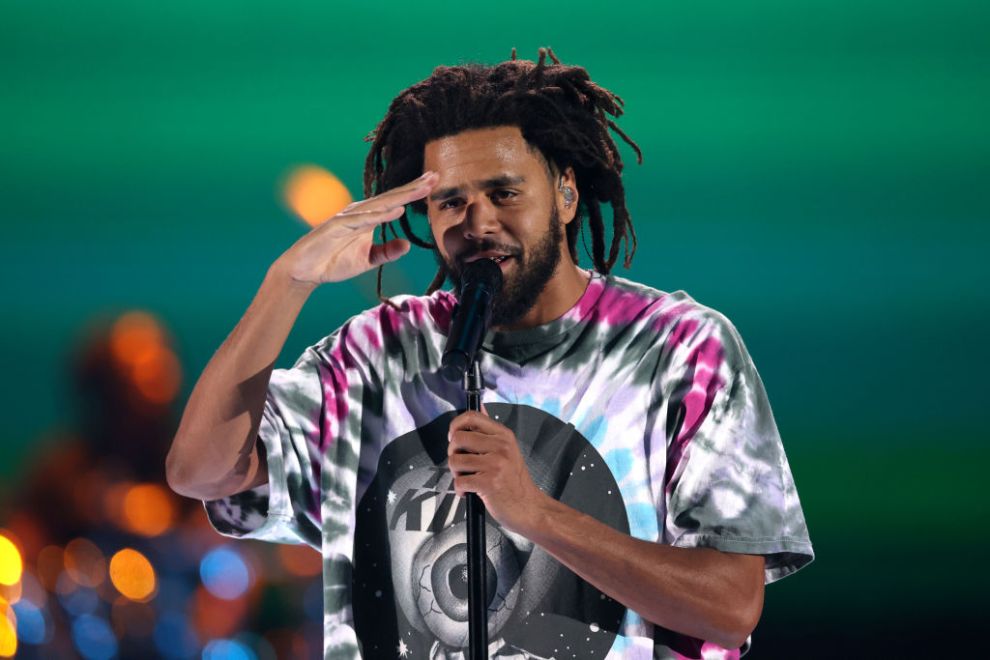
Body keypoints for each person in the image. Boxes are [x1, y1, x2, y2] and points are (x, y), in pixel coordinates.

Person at [166, 48, 814, 660]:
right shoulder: (377, 356)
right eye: (451, 201)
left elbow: (730, 606)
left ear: (565, 195)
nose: (476, 223)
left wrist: (535, 515)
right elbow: (202, 472)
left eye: (504, 193)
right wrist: (289, 282)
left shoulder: (679, 350)